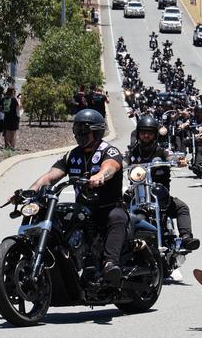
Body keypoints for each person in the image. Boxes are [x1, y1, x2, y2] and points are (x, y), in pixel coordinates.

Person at [26, 109, 127, 284]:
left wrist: (101, 176)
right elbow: (51, 176)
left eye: (84, 130)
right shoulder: (73, 155)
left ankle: (110, 264)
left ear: (96, 131)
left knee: (116, 217)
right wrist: (30, 192)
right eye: (77, 130)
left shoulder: (108, 151)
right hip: (83, 210)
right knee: (61, 218)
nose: (79, 134)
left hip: (108, 207)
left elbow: (110, 166)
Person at [126, 116, 200, 251]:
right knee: (118, 211)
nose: (146, 135)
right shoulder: (132, 152)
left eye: (149, 132)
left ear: (155, 135)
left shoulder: (162, 151)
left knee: (182, 208)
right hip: (136, 193)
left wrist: (179, 160)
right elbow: (121, 162)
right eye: (143, 132)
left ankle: (186, 238)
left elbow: (171, 156)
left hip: (159, 195)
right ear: (138, 134)